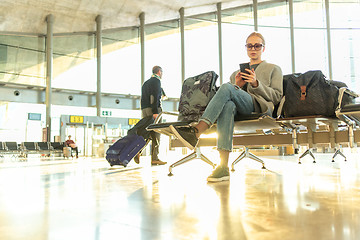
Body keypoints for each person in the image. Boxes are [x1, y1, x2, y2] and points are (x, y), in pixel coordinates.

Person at [170, 32, 283, 182]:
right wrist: (238, 86)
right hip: (239, 107)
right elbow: (229, 96)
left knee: (226, 87)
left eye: (257, 45)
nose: (253, 48)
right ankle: (223, 166)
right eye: (250, 45)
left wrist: (256, 84)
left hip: (259, 107)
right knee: (228, 105)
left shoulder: (273, 68)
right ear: (246, 48)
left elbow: (276, 97)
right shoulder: (236, 73)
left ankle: (197, 130)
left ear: (263, 48)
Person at [135, 65, 167, 166]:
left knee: (148, 133)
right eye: (162, 72)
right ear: (159, 72)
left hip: (145, 110)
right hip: (154, 110)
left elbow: (146, 98)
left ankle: (138, 151)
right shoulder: (156, 81)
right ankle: (155, 158)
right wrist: (155, 111)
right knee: (157, 133)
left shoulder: (146, 83)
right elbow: (155, 97)